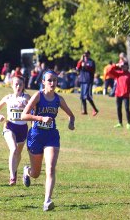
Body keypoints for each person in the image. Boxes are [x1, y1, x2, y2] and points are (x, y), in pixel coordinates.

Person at [21, 71, 75, 211]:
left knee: (50, 168)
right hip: (36, 136)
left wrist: (71, 123)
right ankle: (27, 171)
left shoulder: (59, 99)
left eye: (55, 80)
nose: (52, 83)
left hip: (51, 135)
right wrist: (40, 118)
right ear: (43, 82)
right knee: (36, 173)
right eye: (49, 80)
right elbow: (23, 115)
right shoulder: (38, 96)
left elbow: (71, 115)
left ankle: (47, 201)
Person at [0, 76, 30, 185]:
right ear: (12, 85)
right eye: (16, 84)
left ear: (23, 86)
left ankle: (15, 169)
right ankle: (12, 176)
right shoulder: (8, 97)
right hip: (10, 126)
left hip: (23, 128)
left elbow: (34, 109)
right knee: (13, 149)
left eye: (20, 84)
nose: (18, 86)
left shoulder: (26, 97)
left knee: (18, 152)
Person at [108, 63, 130, 129]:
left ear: (127, 67)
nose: (123, 67)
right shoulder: (118, 73)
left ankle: (128, 123)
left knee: (127, 108)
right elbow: (109, 71)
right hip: (118, 94)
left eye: (124, 66)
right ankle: (120, 123)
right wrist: (115, 65)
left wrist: (128, 91)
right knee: (118, 108)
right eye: (122, 66)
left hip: (125, 94)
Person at [76, 51, 99, 116]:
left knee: (86, 96)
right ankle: (85, 110)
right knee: (82, 97)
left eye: (86, 55)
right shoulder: (81, 61)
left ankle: (95, 109)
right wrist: (80, 61)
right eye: (84, 55)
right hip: (82, 80)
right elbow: (77, 68)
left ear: (89, 55)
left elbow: (92, 69)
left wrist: (86, 65)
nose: (85, 56)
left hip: (88, 80)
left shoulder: (91, 62)